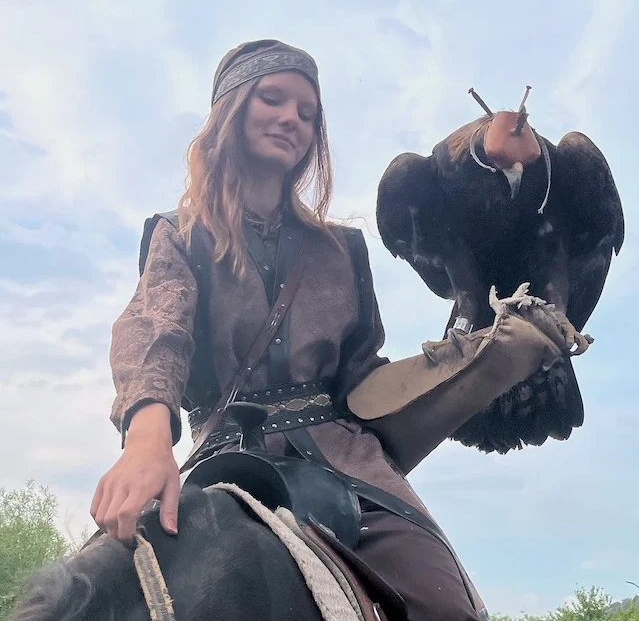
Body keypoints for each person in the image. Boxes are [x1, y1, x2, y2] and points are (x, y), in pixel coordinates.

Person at [89, 38, 489, 621]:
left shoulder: (343, 250)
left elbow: (362, 378)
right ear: (230, 109)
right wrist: (146, 442)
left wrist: (473, 361)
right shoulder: (179, 235)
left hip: (344, 462)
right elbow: (157, 328)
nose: (292, 120)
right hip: (218, 452)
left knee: (447, 605)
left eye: (307, 113)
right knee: (84, 596)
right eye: (272, 99)